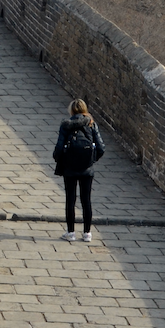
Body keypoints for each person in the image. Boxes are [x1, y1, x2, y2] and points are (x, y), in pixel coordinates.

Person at [53, 98, 105, 242]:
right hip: (87, 169)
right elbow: (101, 148)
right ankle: (87, 233)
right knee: (86, 200)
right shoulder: (91, 124)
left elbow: (58, 148)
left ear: (72, 110)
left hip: (69, 169)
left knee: (70, 200)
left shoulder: (66, 125)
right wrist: (91, 160)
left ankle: (71, 233)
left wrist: (61, 160)